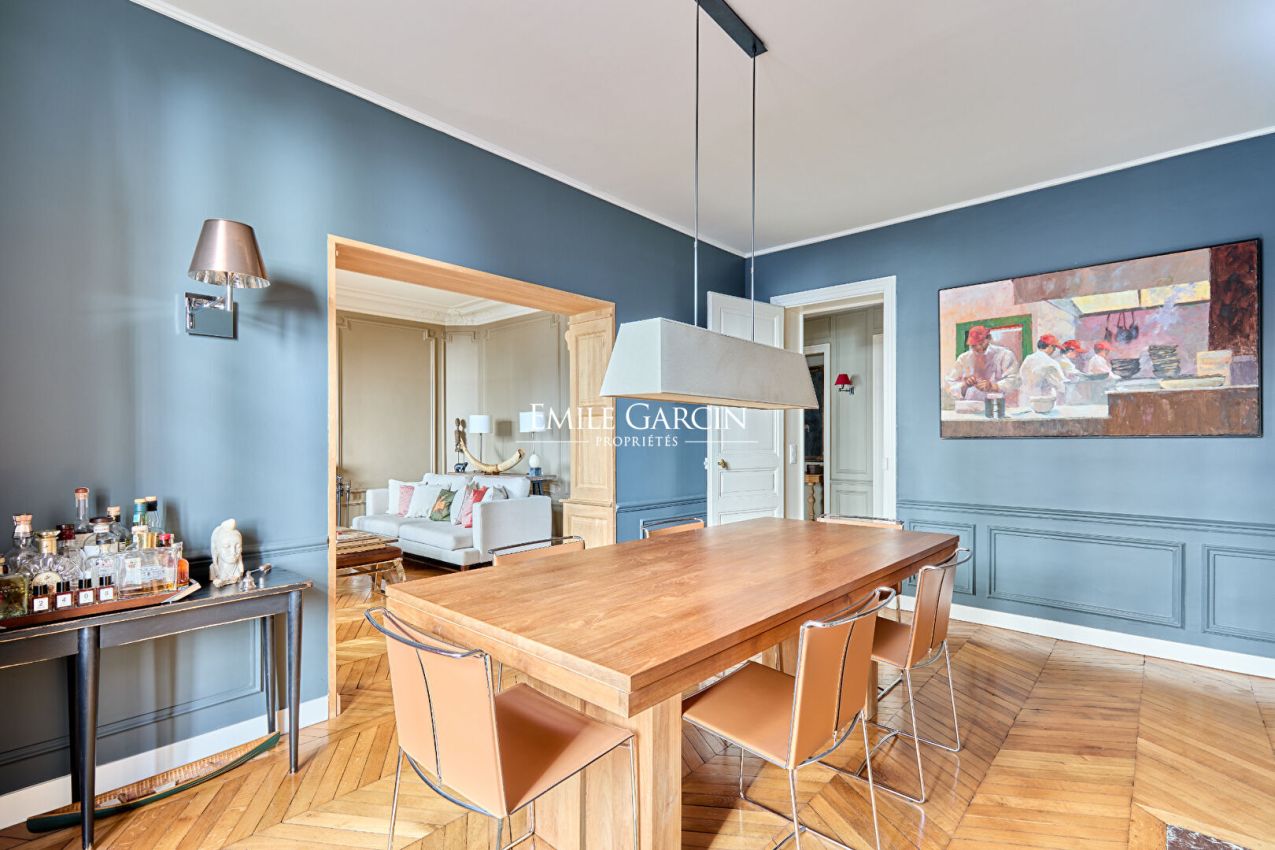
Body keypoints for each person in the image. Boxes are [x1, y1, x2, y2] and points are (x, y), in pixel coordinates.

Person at [945, 325, 1019, 401]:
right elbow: (949, 383)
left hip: (997, 403)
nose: (978, 348)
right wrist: (965, 385)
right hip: (970, 404)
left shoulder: (1005, 355)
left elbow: (1014, 380)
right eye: (974, 345)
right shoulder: (963, 358)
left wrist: (993, 386)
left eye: (981, 343)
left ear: (989, 338)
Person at [1019, 334, 1068, 400]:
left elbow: (1022, 376)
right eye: (1054, 348)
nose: (1054, 350)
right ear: (1050, 346)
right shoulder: (1051, 363)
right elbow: (1060, 385)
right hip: (1044, 400)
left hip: (1025, 398)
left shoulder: (1028, 359)